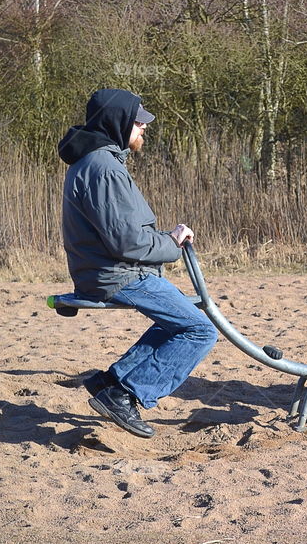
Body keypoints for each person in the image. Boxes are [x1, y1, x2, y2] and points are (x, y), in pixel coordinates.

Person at [58, 88, 218, 438]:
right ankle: (124, 393)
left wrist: (165, 239)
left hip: (110, 270)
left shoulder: (99, 163)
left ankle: (110, 381)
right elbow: (126, 242)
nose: (144, 129)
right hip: (116, 275)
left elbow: (123, 232)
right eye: (138, 122)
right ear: (117, 123)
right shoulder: (103, 169)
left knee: (175, 322)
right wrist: (172, 243)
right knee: (200, 330)